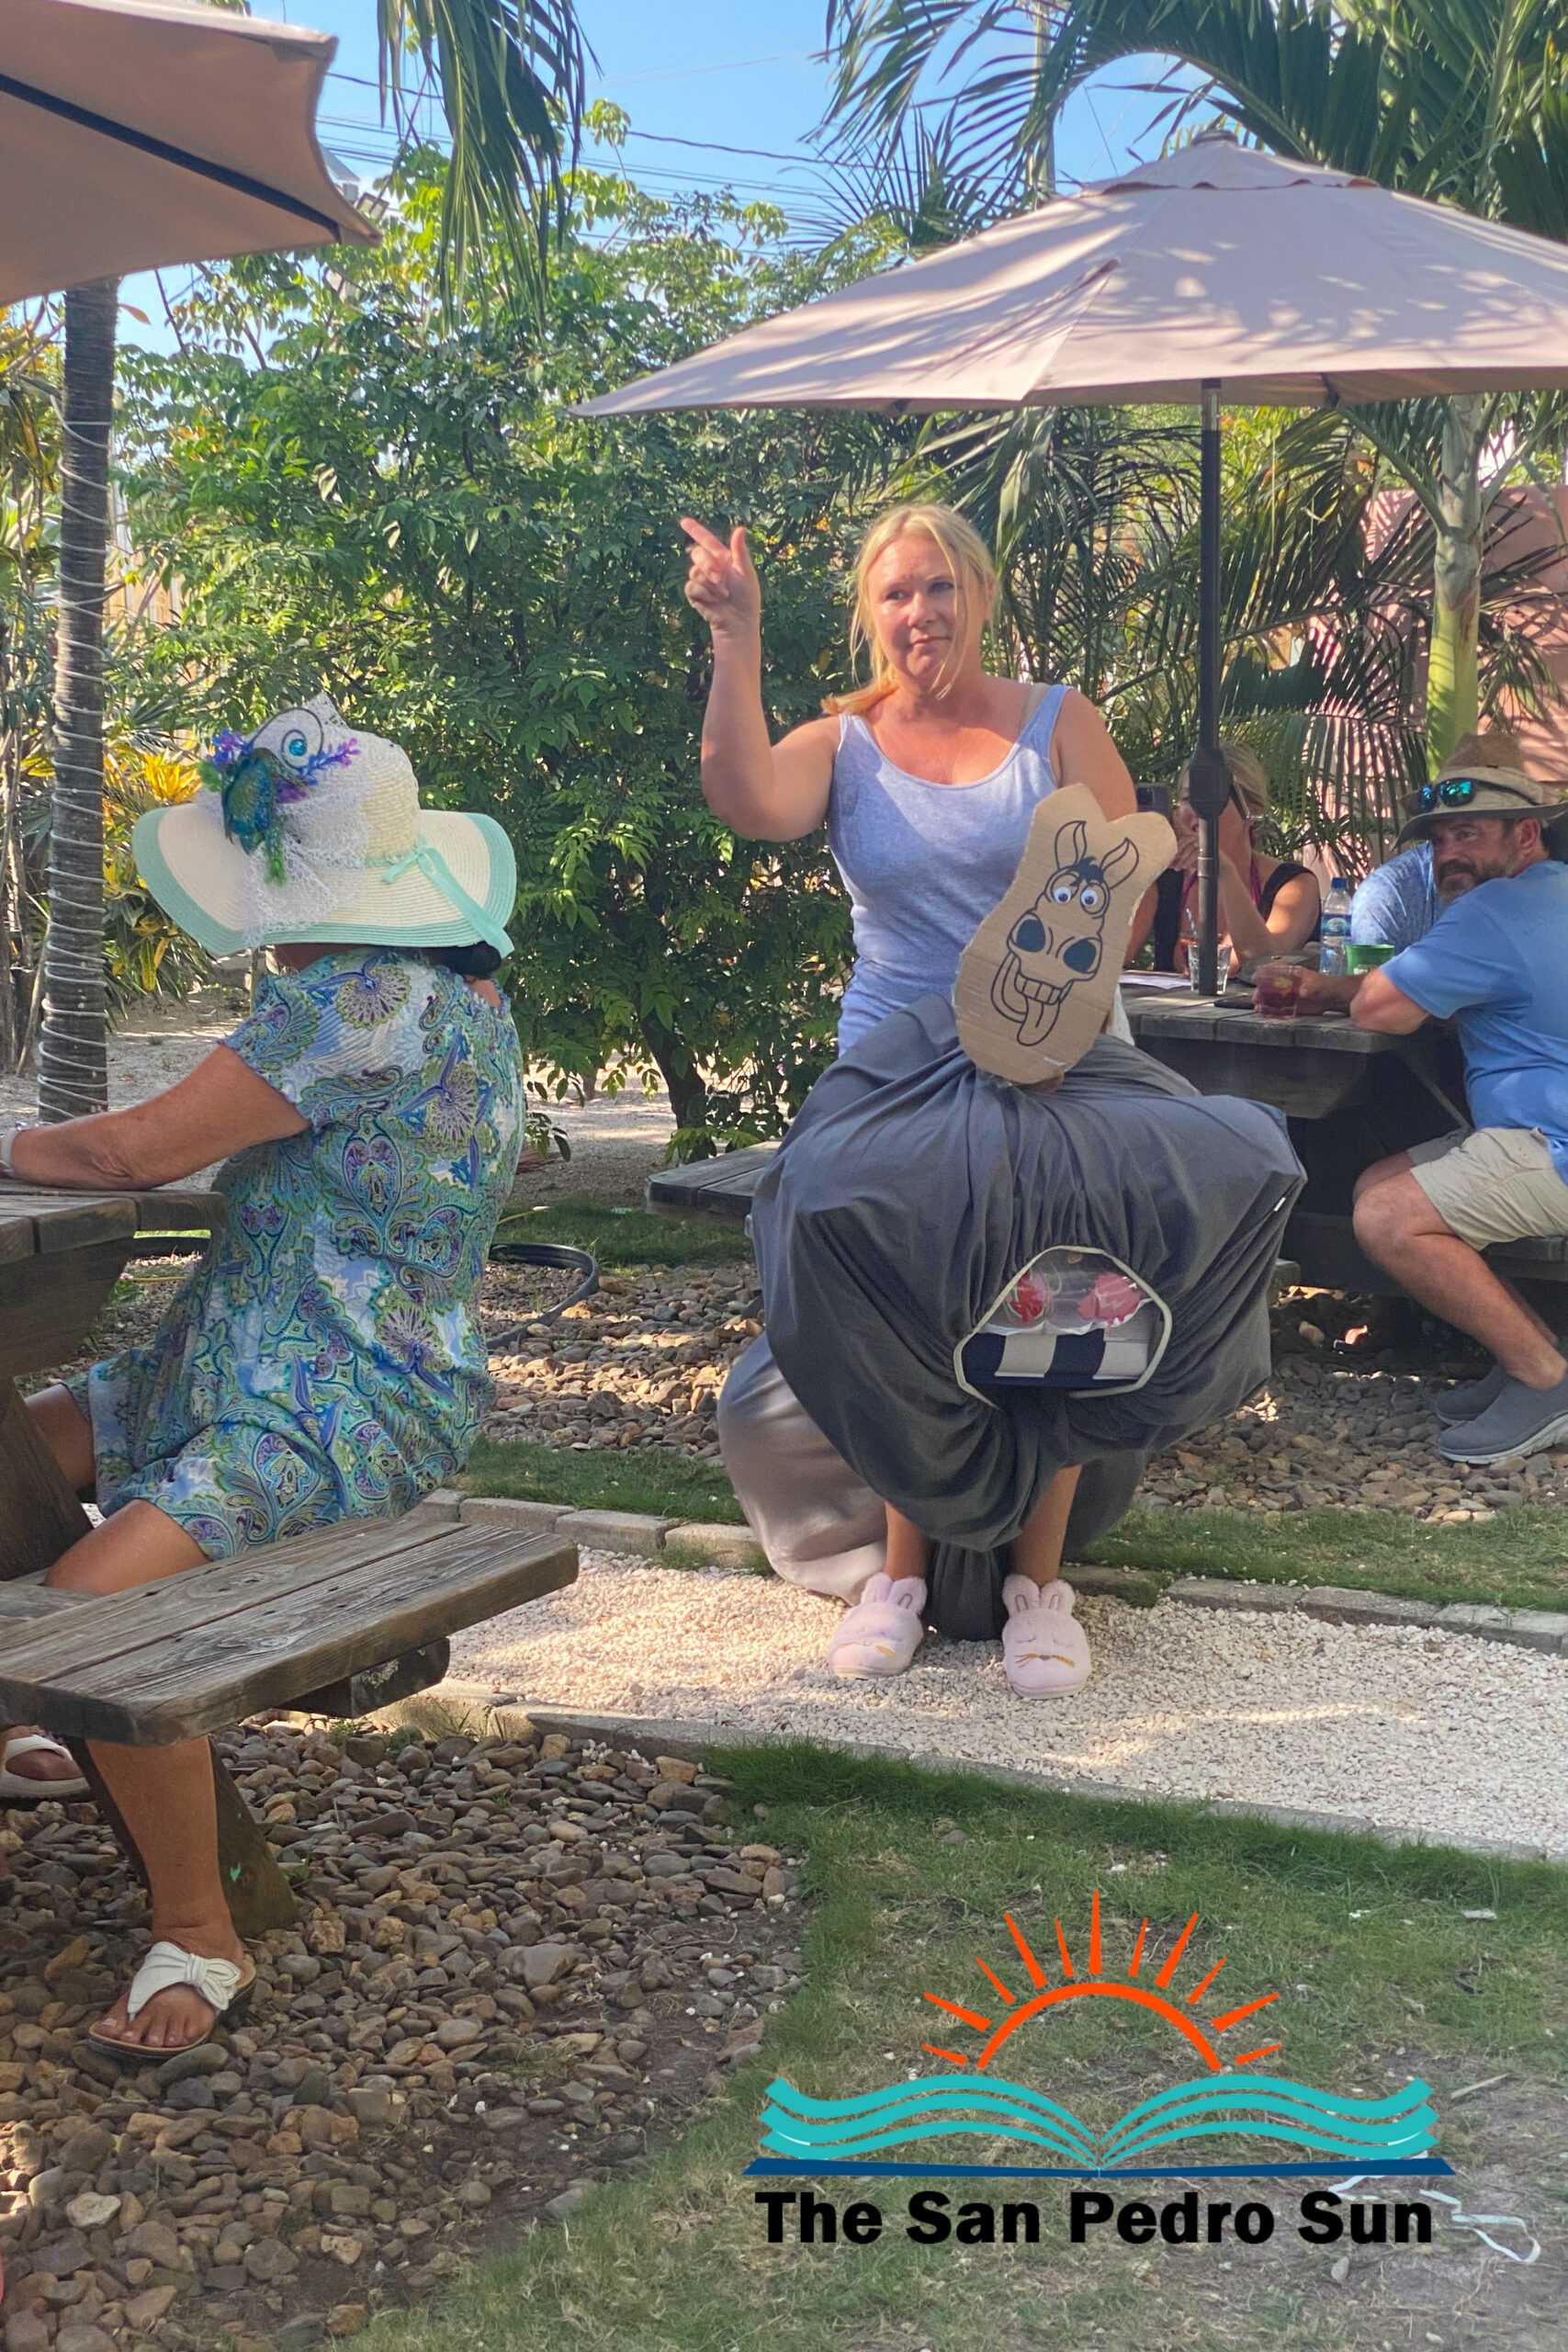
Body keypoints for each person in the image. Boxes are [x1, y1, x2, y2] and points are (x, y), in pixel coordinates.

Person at [0, 695, 524, 2054]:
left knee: (88, 1605)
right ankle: (45, 1729)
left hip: (333, 1406)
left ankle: (201, 1926)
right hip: (238, 1365)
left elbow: (128, 1155)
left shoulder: (352, 1001)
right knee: (7, 1462)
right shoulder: (462, 996)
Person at [684, 501, 1177, 1695]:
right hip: (894, 1073)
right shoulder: (844, 742)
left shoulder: (1059, 722)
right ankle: (897, 1582)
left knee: (1062, 1292)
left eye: (940, 586)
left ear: (979, 594)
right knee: (902, 1306)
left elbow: (1126, 891)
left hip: (1055, 1058)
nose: (921, 611)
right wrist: (736, 637)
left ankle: (1036, 1591)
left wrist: (1054, 1021)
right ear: (871, 611)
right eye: (897, 591)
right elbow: (745, 799)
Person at [1348, 734, 1568, 1464]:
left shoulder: (1492, 909)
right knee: (1377, 1182)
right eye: (1439, 840)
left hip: (1553, 1147)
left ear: (1526, 834)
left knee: (1386, 1218)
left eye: (1468, 834)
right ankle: (1528, 1350)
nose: (1448, 855)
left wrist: (1337, 989)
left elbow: (1375, 1009)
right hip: (1540, 1130)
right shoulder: (1553, 892)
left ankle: (1545, 1380)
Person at [1131, 744, 1322, 975]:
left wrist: (1223, 871)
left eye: (1210, 798)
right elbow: (1112, 952)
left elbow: (1265, 967)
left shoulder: (1293, 885)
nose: (1197, 810)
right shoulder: (1166, 877)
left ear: (1252, 810)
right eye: (1188, 798)